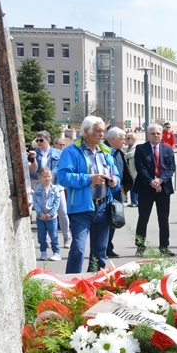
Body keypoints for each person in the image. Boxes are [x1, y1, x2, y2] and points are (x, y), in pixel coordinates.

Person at [56, 116, 121, 274]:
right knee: (78, 248)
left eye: (103, 131)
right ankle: (73, 282)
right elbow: (63, 177)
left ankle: (95, 281)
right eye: (98, 131)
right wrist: (89, 179)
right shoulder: (71, 151)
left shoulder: (105, 152)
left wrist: (114, 180)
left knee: (100, 250)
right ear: (86, 131)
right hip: (81, 208)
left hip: (104, 206)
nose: (102, 135)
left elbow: (117, 175)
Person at [133, 123, 176, 256]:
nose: (156, 136)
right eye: (153, 133)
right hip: (146, 188)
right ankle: (140, 247)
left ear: (161, 135)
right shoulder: (141, 148)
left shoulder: (167, 149)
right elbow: (140, 167)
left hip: (163, 189)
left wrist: (160, 180)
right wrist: (151, 181)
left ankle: (164, 247)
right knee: (143, 218)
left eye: (158, 133)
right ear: (148, 135)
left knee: (163, 219)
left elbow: (171, 167)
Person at [103, 128, 128, 259]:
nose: (124, 141)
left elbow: (123, 170)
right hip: (105, 192)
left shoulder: (119, 152)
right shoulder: (103, 151)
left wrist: (124, 184)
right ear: (113, 139)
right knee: (104, 222)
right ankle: (103, 249)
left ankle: (109, 248)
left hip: (117, 191)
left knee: (114, 219)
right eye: (122, 139)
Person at [33, 167, 61, 261]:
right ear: (40, 178)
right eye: (44, 177)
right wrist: (40, 213)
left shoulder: (55, 189)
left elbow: (57, 202)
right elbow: (35, 202)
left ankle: (56, 252)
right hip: (40, 218)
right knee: (41, 236)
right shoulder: (38, 189)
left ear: (51, 177)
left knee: (54, 235)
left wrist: (51, 213)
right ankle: (43, 252)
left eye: (49, 176)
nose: (47, 179)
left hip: (52, 218)